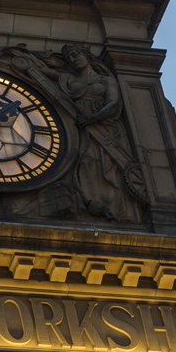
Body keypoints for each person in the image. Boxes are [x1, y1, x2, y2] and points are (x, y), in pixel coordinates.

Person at [56, 44, 142, 222]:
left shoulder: (105, 80)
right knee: (86, 160)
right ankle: (94, 202)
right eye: (68, 58)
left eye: (75, 54)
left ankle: (117, 209)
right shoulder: (70, 81)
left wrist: (93, 118)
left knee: (107, 165)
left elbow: (113, 103)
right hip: (81, 129)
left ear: (87, 56)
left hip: (106, 129)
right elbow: (45, 72)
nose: (72, 60)